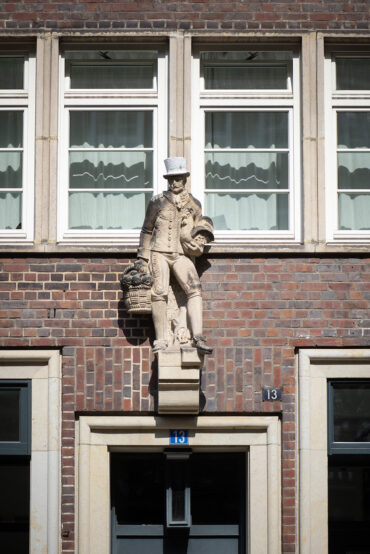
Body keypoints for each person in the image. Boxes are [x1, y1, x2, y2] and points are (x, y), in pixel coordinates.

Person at [137, 157, 214, 354]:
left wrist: (198, 242)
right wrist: (142, 259)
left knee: (194, 288)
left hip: (181, 253)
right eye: (170, 179)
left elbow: (201, 229)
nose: (174, 183)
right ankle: (161, 339)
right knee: (159, 291)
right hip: (159, 252)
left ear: (185, 179)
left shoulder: (194, 204)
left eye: (177, 179)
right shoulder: (157, 201)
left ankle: (198, 336)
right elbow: (147, 230)